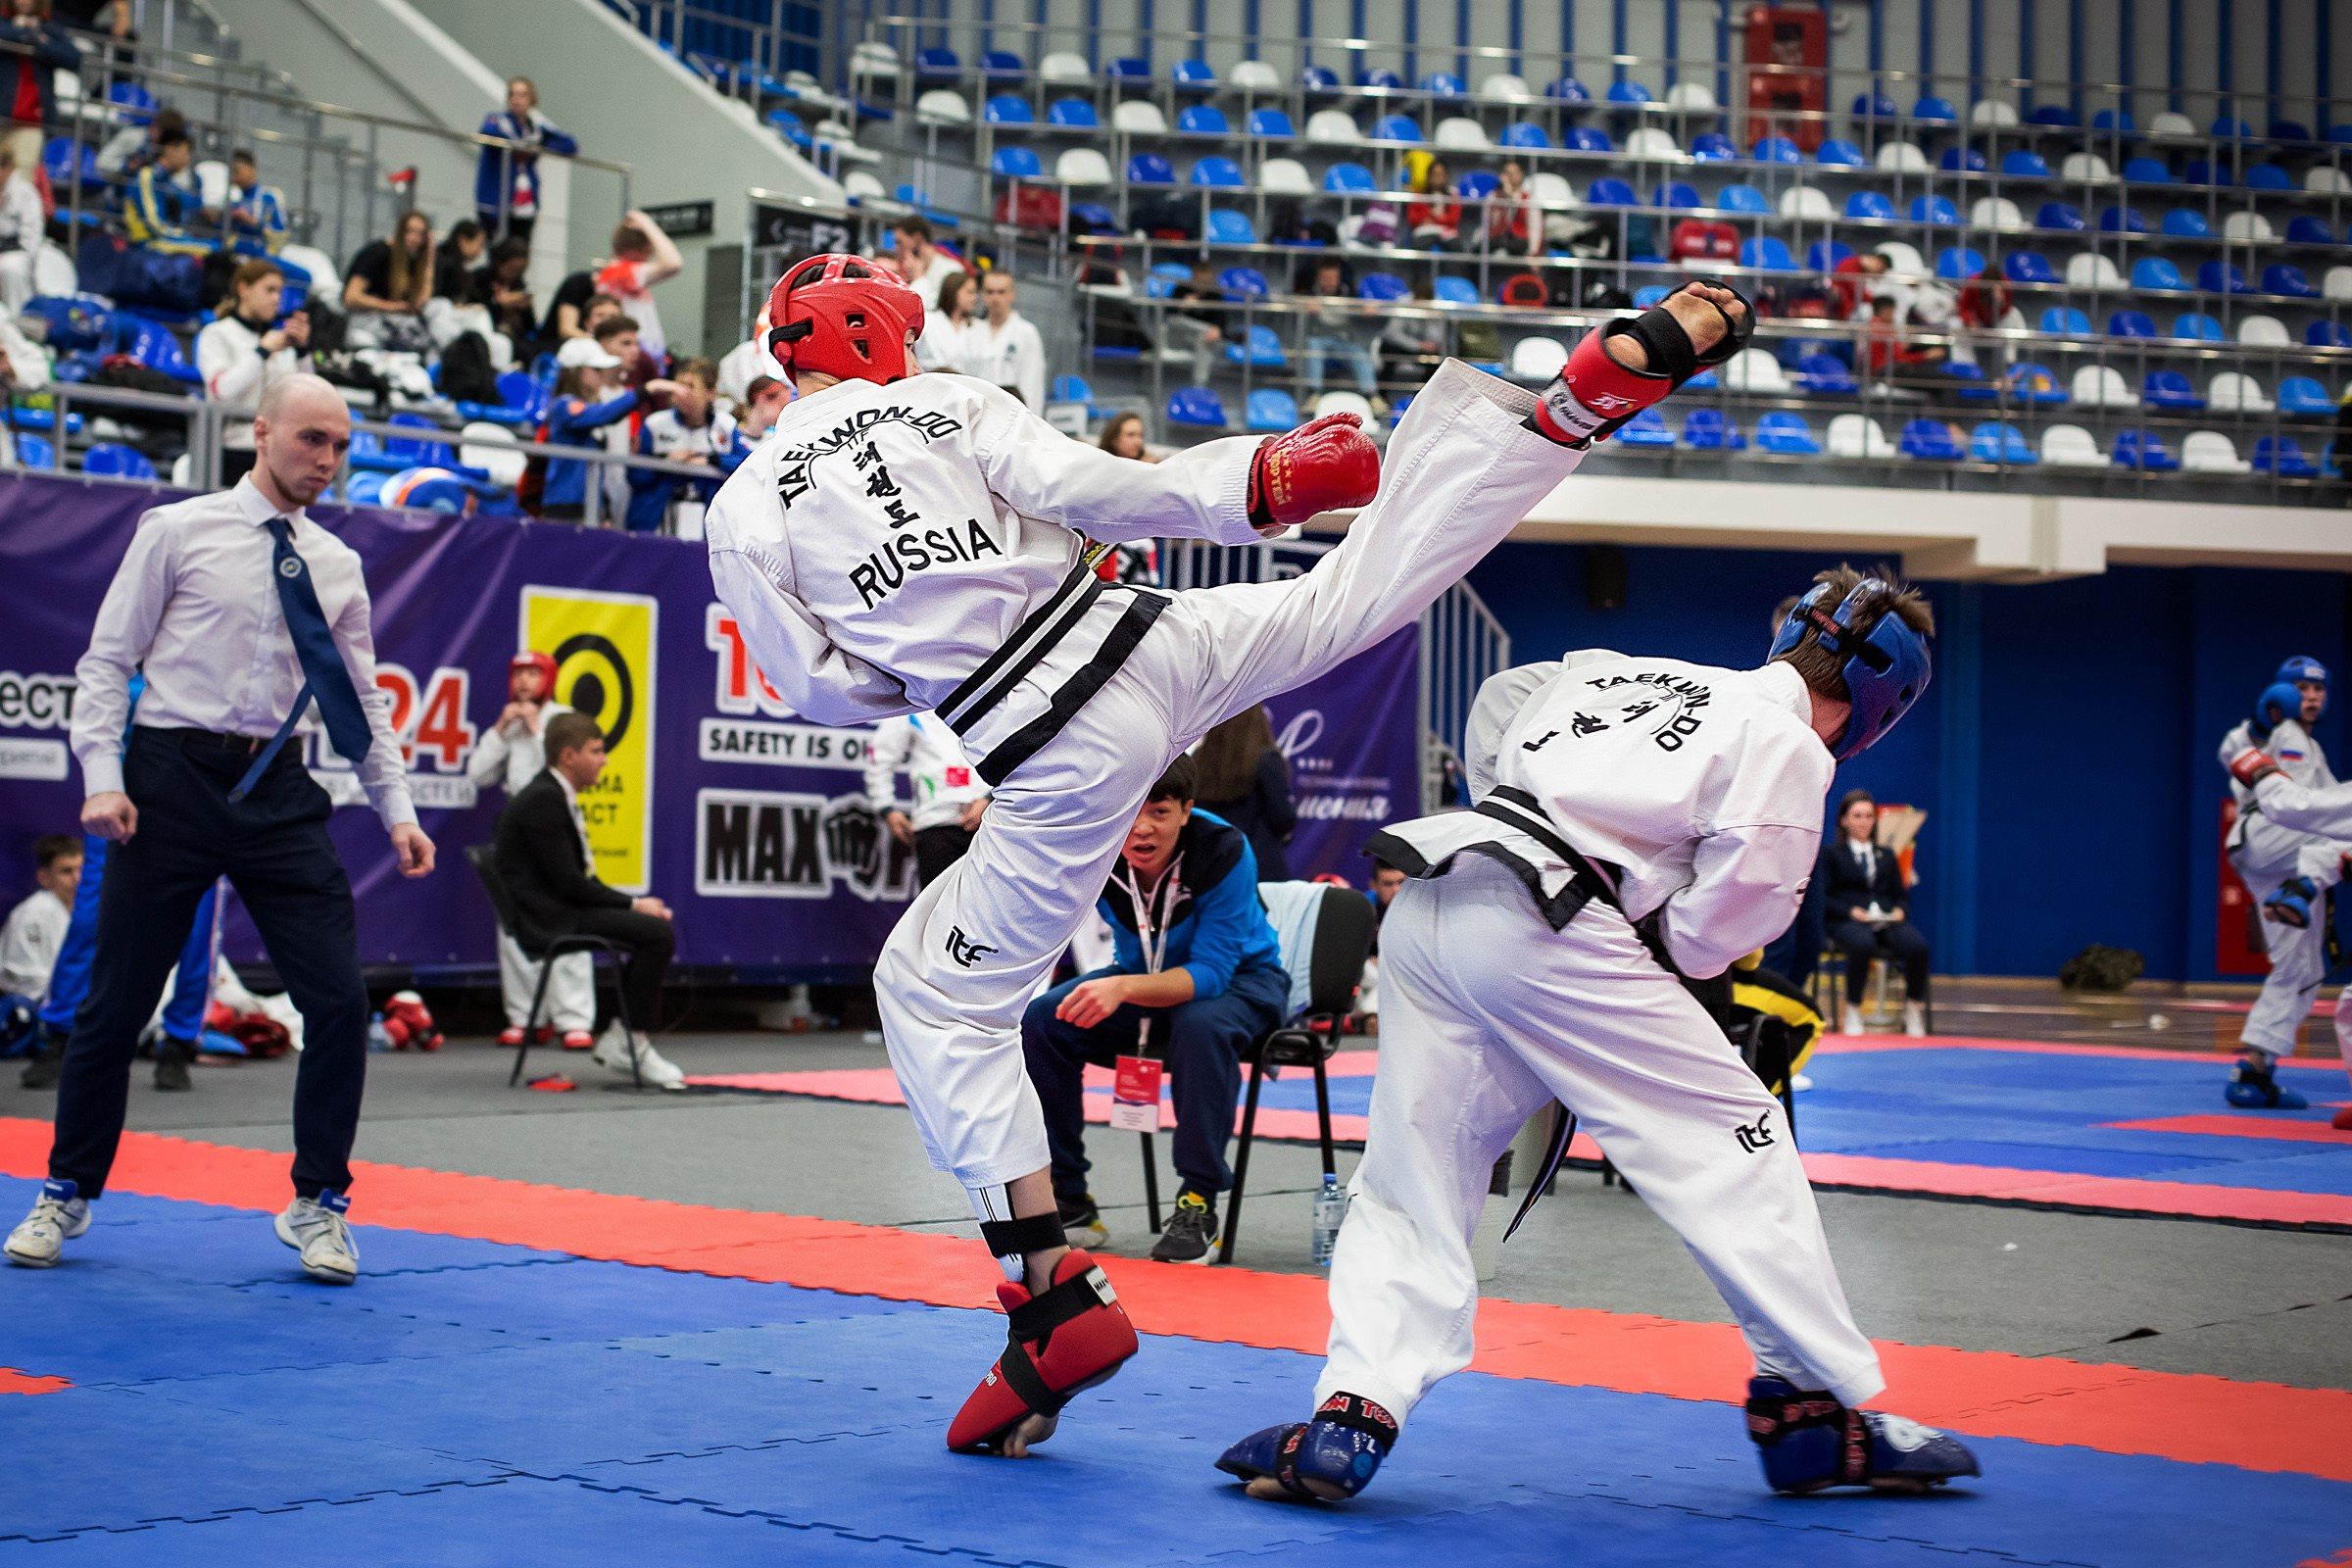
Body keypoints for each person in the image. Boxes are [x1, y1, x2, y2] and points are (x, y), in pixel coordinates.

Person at [703, 253, 1746, 1458]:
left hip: (1046, 737)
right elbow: (1102, 486)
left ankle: (1046, 1293)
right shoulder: (953, 400)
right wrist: (1260, 483)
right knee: (1351, 592)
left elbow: (815, 691)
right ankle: (1561, 410)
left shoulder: (745, 508)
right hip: (1146, 637)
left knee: (933, 989)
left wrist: (900, 670)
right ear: (888, 338)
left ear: (784, 361)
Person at [1217, 567, 1982, 1505]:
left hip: (1434, 888)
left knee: (1417, 1171)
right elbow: (1719, 936)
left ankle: (1350, 1415)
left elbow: (1498, 709)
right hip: (1551, 918)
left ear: (1791, 640)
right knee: (1735, 1137)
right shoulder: (1785, 745)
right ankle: (1811, 1414)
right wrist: (1651, 908)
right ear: (1879, 707)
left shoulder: (1622, 667)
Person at [3, 374, 437, 1284]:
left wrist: (396, 809)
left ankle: (319, 1202)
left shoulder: (336, 565)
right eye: (311, 439)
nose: (326, 460)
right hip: (167, 778)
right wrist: (103, 780)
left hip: (277, 788)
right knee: (116, 1006)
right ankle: (66, 1189)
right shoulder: (176, 529)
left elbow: (359, 699)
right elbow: (105, 662)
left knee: (339, 1002)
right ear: (263, 431)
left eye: (340, 446)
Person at [1020, 754, 1290, 1261]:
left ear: (1187, 811)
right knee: (1043, 1021)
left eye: (1160, 812)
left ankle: (1198, 1203)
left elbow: (1210, 975)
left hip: (1244, 983)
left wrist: (1122, 990)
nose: (1142, 828)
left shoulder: (1224, 849)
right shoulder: (1095, 844)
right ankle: (1069, 1197)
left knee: (1200, 1021)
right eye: (1133, 810)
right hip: (1143, 974)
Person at [492, 710, 680, 1089]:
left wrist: (633, 907)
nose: (604, 759)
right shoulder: (543, 800)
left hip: (562, 909)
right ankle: (631, 1041)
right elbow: (570, 884)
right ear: (568, 757)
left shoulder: (552, 793)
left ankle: (626, 1038)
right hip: (550, 920)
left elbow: (572, 883)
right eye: (596, 751)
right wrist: (634, 904)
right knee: (657, 934)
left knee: (652, 931)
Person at [2215, 659, 2342, 1115]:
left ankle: (2254, 1072)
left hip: (2277, 861)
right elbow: (2237, 750)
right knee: (2333, 829)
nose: (2310, 696)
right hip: (2270, 835)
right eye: (2301, 687)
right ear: (2282, 692)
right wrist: (2264, 726)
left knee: (2301, 969)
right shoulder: (2276, 729)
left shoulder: (2313, 750)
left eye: (2318, 689)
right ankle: (2307, 882)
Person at [466, 651, 593, 1051]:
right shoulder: (510, 724)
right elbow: (476, 774)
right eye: (518, 672)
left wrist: (539, 730)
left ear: (549, 678)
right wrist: (503, 729)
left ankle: (574, 1020)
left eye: (532, 673)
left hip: (558, 822)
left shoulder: (563, 719)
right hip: (517, 831)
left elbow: (565, 771)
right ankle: (526, 1018)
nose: (524, 681)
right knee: (514, 921)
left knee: (571, 913)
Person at [1820, 789, 1930, 1037]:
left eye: (1869, 816)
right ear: (1844, 820)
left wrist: (1901, 911)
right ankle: (1854, 1009)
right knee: (1861, 943)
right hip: (1847, 923)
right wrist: (1851, 911)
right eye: (1857, 816)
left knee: (1917, 947)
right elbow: (1823, 898)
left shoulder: (1887, 855)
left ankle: (1912, 1008)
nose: (1863, 822)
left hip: (1885, 921)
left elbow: (1900, 895)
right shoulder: (1831, 855)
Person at [196, 259, 312, 488]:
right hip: (232, 447)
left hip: (280, 450)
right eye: (269, 290)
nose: (276, 299)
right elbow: (222, 390)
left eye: (279, 291)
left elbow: (309, 394)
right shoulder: (217, 334)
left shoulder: (281, 341)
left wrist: (302, 351)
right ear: (244, 289)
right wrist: (261, 353)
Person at [542, 334, 673, 525]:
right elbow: (604, 414)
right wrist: (648, 389)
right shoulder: (564, 406)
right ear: (575, 372)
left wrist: (604, 508)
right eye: (596, 369)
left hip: (589, 504)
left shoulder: (585, 406)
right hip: (565, 506)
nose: (602, 375)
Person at [864, 711, 990, 887]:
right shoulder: (913, 700)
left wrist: (989, 798)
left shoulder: (990, 692)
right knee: (937, 907)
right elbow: (879, 756)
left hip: (989, 824)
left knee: (987, 907)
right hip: (935, 824)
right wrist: (885, 807)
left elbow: (1012, 751)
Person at [626, 356, 735, 535]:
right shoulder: (655, 424)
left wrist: (713, 460)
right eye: (678, 385)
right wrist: (663, 463)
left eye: (690, 386)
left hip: (709, 528)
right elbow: (635, 477)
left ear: (710, 393)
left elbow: (746, 464)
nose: (682, 392)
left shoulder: (727, 426)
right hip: (656, 525)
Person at [1193, 705, 1297, 882]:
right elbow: (1283, 817)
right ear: (1258, 720)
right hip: (1261, 869)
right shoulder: (1266, 760)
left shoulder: (1198, 758)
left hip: (1213, 869)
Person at [474, 75, 576, 243]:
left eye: (522, 95)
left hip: (525, 204)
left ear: (532, 99)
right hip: (495, 203)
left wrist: (537, 146)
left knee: (521, 253)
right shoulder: (496, 120)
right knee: (498, 253)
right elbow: (487, 134)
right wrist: (519, 146)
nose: (516, 100)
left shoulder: (536, 128)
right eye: (512, 94)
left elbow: (569, 144)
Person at [0, 834, 79, 1020]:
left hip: (68, 1012)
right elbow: (20, 980)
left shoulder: (82, 914)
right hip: (36, 1021)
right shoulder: (34, 912)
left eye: (81, 869)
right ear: (44, 877)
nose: (77, 879)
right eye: (66, 871)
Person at [0, 0, 78, 182]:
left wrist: (37, 39)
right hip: (2, 115)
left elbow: (74, 58)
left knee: (22, 181)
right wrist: (27, 33)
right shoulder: (3, 21)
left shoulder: (49, 26)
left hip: (32, 121)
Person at [595, 210, 683, 369]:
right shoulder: (621, 273)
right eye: (649, 252)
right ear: (635, 252)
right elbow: (674, 263)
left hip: (642, 359)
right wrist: (647, 223)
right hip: (635, 361)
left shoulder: (614, 272)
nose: (650, 258)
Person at [342, 210, 434, 353]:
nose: (414, 238)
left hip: (391, 322)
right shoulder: (378, 252)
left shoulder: (413, 260)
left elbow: (420, 302)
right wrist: (392, 307)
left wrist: (429, 258)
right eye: (410, 231)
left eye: (420, 234)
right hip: (365, 318)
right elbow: (351, 297)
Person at [124, 126, 219, 255]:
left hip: (165, 239)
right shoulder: (147, 176)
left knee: (218, 247)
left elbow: (192, 206)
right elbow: (155, 224)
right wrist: (183, 235)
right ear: (169, 149)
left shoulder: (169, 183)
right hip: (148, 243)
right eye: (186, 153)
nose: (187, 159)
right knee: (214, 251)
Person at [962, 269, 1046, 409]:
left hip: (1012, 411)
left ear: (1012, 295)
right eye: (989, 292)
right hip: (978, 410)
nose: (995, 298)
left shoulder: (1026, 333)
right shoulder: (972, 331)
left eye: (1001, 292)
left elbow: (1032, 384)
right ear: (982, 295)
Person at [1298, 258, 1378, 398]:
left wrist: (1366, 308)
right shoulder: (1310, 293)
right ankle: (1313, 394)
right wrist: (1305, 305)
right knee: (1312, 348)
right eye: (1326, 278)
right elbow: (1294, 301)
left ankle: (1371, 394)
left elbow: (1362, 306)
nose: (1330, 281)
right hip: (1319, 338)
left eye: (1333, 278)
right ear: (1319, 278)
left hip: (1342, 339)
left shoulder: (1348, 292)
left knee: (1360, 354)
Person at [1162, 254, 1230, 390]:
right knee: (1193, 328)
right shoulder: (1181, 289)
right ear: (1194, 277)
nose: (1204, 285)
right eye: (1201, 280)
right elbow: (1167, 316)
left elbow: (1222, 320)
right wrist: (1182, 306)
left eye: (1207, 281)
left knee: (1205, 339)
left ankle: (1199, 387)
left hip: (1201, 339)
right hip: (1178, 336)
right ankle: (1199, 387)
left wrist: (1217, 329)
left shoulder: (1215, 295)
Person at [0, 138, 45, 315]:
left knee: (11, 268)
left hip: (15, 254)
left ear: (9, 167)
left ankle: (20, 320)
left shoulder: (25, 193)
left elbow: (31, 240)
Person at [888, 216, 962, 311]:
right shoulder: (908, 270)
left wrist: (918, 278)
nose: (895, 248)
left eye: (899, 242)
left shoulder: (951, 269)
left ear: (917, 239)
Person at [913, 267, 975, 372]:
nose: (974, 298)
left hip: (963, 384)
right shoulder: (928, 321)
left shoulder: (974, 326)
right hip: (930, 380)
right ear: (954, 292)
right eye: (970, 292)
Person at [1481, 159, 1540, 257]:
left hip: (1519, 241)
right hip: (1496, 240)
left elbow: (1535, 227)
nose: (1512, 176)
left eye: (1515, 172)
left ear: (1521, 175)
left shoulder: (1529, 199)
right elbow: (1489, 225)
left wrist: (1533, 252)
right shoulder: (1493, 197)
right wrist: (1504, 196)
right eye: (1508, 173)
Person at [1407, 158, 1462, 250]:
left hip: (1447, 232)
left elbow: (1454, 219)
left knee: (1457, 248)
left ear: (1446, 176)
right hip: (1425, 231)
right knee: (1419, 248)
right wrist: (1440, 217)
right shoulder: (1420, 194)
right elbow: (1413, 218)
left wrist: (1432, 218)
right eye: (1434, 174)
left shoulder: (1453, 194)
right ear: (1429, 176)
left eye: (1441, 174)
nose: (1438, 178)